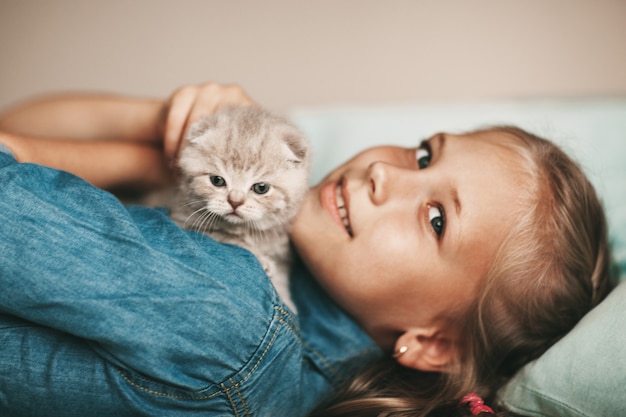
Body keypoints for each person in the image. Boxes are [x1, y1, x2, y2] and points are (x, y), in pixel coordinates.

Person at [0, 83, 614, 417]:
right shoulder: (256, 226)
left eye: (435, 219)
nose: (384, 174)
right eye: (424, 153)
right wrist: (177, 131)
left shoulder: (236, 317)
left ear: (432, 343)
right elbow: (23, 112)